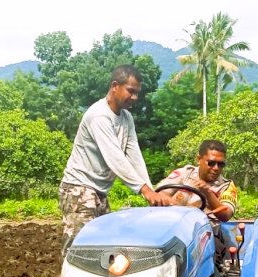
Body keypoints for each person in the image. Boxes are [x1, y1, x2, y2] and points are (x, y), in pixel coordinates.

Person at [59, 64, 173, 253]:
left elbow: (134, 155)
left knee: (103, 246)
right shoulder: (99, 116)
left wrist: (151, 191)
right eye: (131, 91)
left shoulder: (126, 118)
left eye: (137, 93)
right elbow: (115, 158)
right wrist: (144, 191)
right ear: (115, 86)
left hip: (99, 191)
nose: (134, 97)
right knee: (79, 247)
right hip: (78, 188)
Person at [156, 139, 239, 223]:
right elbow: (159, 195)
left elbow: (226, 215)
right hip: (174, 223)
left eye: (221, 164)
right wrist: (174, 206)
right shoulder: (184, 173)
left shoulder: (226, 186)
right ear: (199, 159)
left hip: (206, 231)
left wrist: (208, 193)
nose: (216, 168)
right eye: (211, 163)